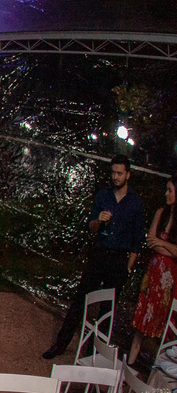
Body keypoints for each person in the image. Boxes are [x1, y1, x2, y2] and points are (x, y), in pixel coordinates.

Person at [43, 153, 146, 359]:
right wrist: (98, 220)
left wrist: (128, 266)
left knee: (107, 309)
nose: (115, 177)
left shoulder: (135, 203)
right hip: (99, 254)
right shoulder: (103, 195)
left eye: (119, 173)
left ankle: (94, 353)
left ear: (128, 174)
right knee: (81, 300)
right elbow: (90, 227)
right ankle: (61, 344)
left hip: (118, 259)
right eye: (113, 173)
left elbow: (137, 239)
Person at [129, 176, 177, 364]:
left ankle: (158, 369)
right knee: (143, 321)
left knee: (165, 322)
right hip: (154, 274)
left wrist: (162, 243)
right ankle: (130, 363)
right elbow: (151, 241)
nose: (166, 194)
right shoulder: (160, 212)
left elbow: (162, 244)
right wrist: (168, 248)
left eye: (170, 190)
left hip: (171, 278)